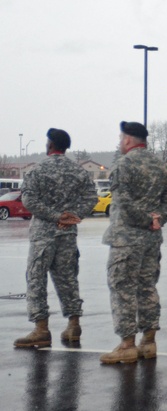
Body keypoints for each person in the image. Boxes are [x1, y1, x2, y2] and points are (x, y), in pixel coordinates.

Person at [99, 122, 167, 364]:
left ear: (128, 140)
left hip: (127, 239)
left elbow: (122, 201)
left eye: (122, 137)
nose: (121, 142)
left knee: (122, 288)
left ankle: (127, 345)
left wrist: (144, 219)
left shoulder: (123, 164)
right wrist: (157, 220)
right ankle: (149, 341)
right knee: (147, 287)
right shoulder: (159, 165)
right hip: (151, 239)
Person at [14, 128, 98, 349]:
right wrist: (71, 217)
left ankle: (41, 329)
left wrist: (54, 216)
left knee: (36, 279)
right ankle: (74, 325)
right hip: (67, 233)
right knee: (68, 278)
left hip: (43, 234)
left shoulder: (38, 169)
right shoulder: (78, 171)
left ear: (50, 145)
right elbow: (92, 197)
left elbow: (29, 200)